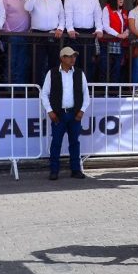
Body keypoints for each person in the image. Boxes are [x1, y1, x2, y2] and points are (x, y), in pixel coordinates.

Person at [40, 46, 90, 180]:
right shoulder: (52, 73)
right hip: (59, 114)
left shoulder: (80, 73)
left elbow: (86, 95)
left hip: (74, 113)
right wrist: (50, 111)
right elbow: (44, 94)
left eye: (74, 56)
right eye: (69, 56)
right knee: (56, 142)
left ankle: (75, 170)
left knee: (74, 143)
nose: (73, 58)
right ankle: (54, 170)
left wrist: (81, 111)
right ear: (62, 58)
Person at [24, 0, 65, 87]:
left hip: (53, 34)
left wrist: (60, 28)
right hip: (37, 35)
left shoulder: (57, 0)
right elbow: (27, 8)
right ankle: (37, 90)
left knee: (54, 64)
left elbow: (62, 17)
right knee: (38, 64)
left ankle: (53, 89)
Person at [63, 0, 103, 77]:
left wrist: (99, 29)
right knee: (73, 63)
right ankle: (73, 89)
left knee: (88, 63)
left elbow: (98, 15)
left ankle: (86, 89)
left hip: (89, 34)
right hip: (75, 33)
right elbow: (68, 13)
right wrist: (70, 29)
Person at [1, 0, 31, 85]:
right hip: (12, 36)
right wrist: (8, 32)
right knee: (11, 62)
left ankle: (19, 88)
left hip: (24, 36)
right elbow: (2, 16)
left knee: (22, 63)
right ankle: (9, 89)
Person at [100, 0, 129, 83]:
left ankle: (114, 92)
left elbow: (127, 25)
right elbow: (105, 26)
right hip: (107, 42)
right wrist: (118, 35)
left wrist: (126, 32)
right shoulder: (107, 9)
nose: (122, 0)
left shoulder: (123, 11)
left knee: (117, 68)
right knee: (105, 67)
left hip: (118, 43)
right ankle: (103, 91)